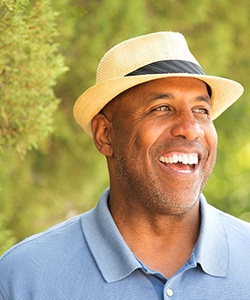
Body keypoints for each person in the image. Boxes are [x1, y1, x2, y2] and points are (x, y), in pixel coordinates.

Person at [0, 31, 249, 300]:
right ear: (105, 134)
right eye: (161, 108)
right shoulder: (25, 277)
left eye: (201, 110)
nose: (191, 129)